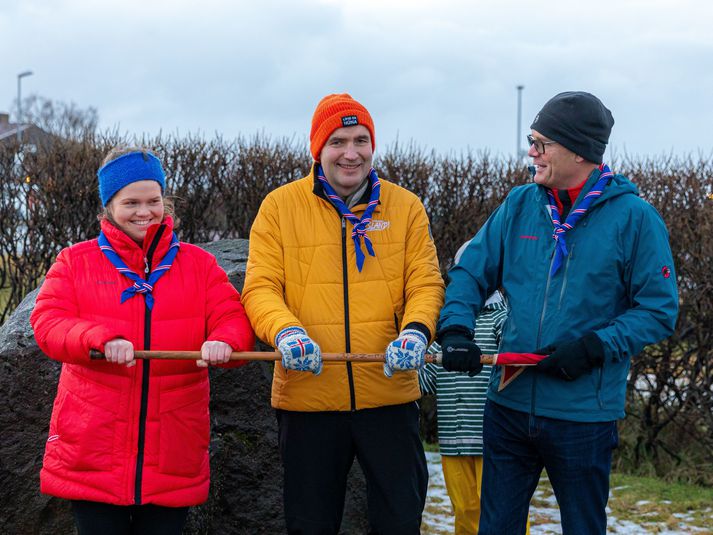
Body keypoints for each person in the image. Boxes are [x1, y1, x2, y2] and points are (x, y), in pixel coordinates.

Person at [436, 91, 679, 534]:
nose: (532, 152)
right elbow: (470, 273)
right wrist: (455, 329)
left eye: (542, 143)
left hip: (582, 415)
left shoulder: (635, 219)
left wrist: (592, 348)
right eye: (532, 140)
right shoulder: (519, 205)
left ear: (579, 151)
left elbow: (658, 309)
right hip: (507, 405)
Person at [241, 93, 444, 534]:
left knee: (400, 520)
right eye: (337, 141)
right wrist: (285, 332)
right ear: (318, 148)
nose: (351, 153)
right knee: (309, 524)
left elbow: (425, 284)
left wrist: (415, 331)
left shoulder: (406, 207)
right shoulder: (279, 207)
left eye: (361, 140)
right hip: (308, 397)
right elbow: (259, 288)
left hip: (390, 395)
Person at [30, 147, 255, 535]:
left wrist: (225, 342)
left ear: (165, 202)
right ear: (108, 206)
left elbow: (232, 318)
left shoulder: (200, 266)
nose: (144, 212)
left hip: (174, 449)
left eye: (153, 201)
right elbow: (48, 323)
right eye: (130, 202)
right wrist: (98, 338)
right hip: (93, 450)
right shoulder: (75, 261)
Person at [420, 289, 529, 535]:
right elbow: (424, 381)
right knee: (465, 512)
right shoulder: (447, 331)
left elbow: (519, 357)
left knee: (504, 514)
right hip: (452, 441)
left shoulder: (502, 319)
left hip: (493, 441)